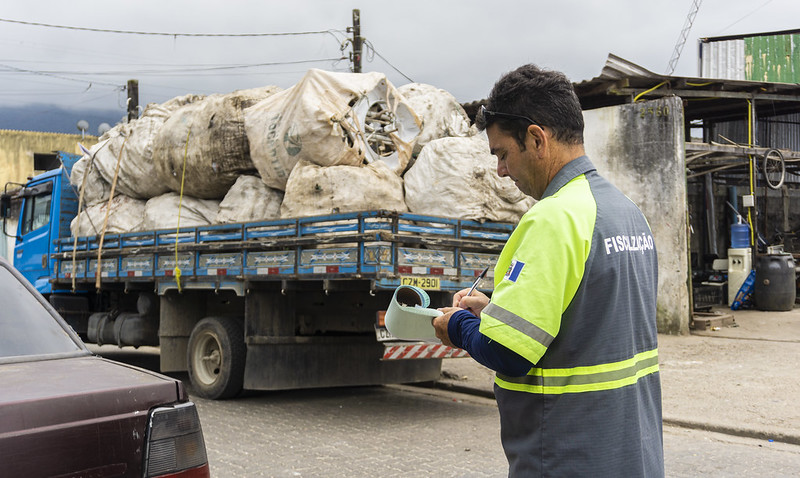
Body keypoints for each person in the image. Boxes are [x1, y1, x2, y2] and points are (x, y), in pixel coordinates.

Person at [432, 64, 664, 477]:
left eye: (503, 154)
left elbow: (509, 352)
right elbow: (587, 317)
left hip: (565, 454)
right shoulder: (628, 214)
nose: (501, 171)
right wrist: (495, 311)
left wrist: (458, 327)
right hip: (631, 454)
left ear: (537, 138)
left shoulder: (553, 219)